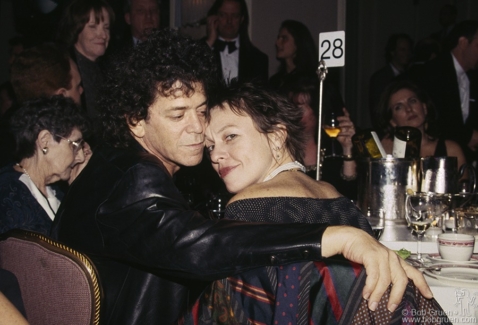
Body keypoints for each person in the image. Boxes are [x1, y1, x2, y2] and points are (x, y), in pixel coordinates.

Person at [50, 29, 431, 325]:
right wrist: (333, 235)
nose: (198, 129)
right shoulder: (135, 177)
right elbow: (196, 245)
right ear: (136, 121)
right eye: (178, 114)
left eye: (201, 111)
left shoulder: (113, 165)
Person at [186, 83, 447, 324]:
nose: (216, 155)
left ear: (277, 137)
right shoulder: (335, 196)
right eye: (209, 147)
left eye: (229, 136)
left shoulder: (246, 206)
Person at [0, 96, 89, 235]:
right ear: (45, 141)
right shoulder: (7, 195)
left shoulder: (57, 191)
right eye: (75, 145)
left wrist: (76, 189)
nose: (81, 157)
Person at [0, 43, 85, 168]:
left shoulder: (10, 134)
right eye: (77, 86)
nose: (82, 91)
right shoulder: (63, 160)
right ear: (61, 96)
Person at [413, 20, 478, 164]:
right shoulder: (434, 72)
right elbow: (436, 115)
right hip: (438, 158)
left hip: (466, 158)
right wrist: (467, 136)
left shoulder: (472, 76)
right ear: (463, 42)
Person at [287, 77, 358, 200]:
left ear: (319, 111)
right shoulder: (281, 147)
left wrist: (347, 149)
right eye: (289, 107)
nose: (291, 114)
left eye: (298, 108)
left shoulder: (333, 147)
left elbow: (349, 194)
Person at [377, 79, 466, 170]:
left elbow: (464, 183)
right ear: (392, 121)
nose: (408, 109)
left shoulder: (451, 150)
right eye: (398, 107)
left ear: (424, 108)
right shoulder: (387, 153)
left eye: (412, 101)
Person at [57, 0, 115, 119]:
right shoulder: (65, 73)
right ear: (76, 30)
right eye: (93, 27)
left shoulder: (110, 69)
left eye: (106, 27)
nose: (103, 35)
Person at [205, 0, 268, 85]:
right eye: (223, 15)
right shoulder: (203, 49)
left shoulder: (258, 59)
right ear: (214, 17)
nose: (229, 21)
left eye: (234, 16)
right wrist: (210, 41)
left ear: (242, 19)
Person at [369, 33, 413, 128]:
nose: (407, 53)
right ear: (392, 52)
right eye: (402, 50)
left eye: (408, 50)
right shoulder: (380, 78)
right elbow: (377, 113)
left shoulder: (412, 76)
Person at [269, 20, 318, 93]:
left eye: (284, 38)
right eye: (278, 38)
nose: (277, 43)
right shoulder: (275, 81)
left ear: (298, 42)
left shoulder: (313, 80)